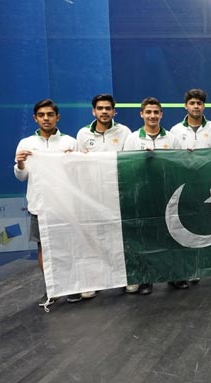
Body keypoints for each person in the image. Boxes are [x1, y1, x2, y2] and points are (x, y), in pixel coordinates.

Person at [14, 99, 78, 307]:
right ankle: (52, 288)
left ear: (57, 117)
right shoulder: (26, 143)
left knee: (68, 246)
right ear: (35, 118)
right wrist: (21, 163)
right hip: (39, 205)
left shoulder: (69, 142)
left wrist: (74, 160)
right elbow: (21, 176)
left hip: (65, 204)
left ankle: (72, 287)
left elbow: (77, 175)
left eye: (50, 114)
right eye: (41, 115)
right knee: (44, 248)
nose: (46, 118)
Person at [76, 94, 133, 298]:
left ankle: (127, 279)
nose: (104, 111)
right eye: (100, 108)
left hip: (119, 194)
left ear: (114, 111)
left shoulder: (124, 132)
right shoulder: (82, 135)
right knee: (94, 239)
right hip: (92, 196)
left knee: (120, 238)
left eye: (108, 108)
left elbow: (130, 162)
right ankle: (93, 281)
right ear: (94, 111)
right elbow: (77, 165)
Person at [123, 97, 182, 294]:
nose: (152, 116)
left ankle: (174, 275)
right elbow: (126, 168)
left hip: (166, 193)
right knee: (145, 236)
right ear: (141, 114)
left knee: (170, 235)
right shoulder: (132, 139)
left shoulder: (172, 138)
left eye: (156, 112)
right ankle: (145, 278)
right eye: (148, 112)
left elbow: (179, 165)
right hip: (142, 195)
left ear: (161, 114)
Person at [170, 89, 211, 286]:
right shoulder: (175, 131)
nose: (196, 106)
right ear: (186, 106)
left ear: (204, 106)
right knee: (187, 227)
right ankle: (190, 268)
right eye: (192, 103)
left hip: (209, 187)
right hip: (185, 187)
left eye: (199, 103)